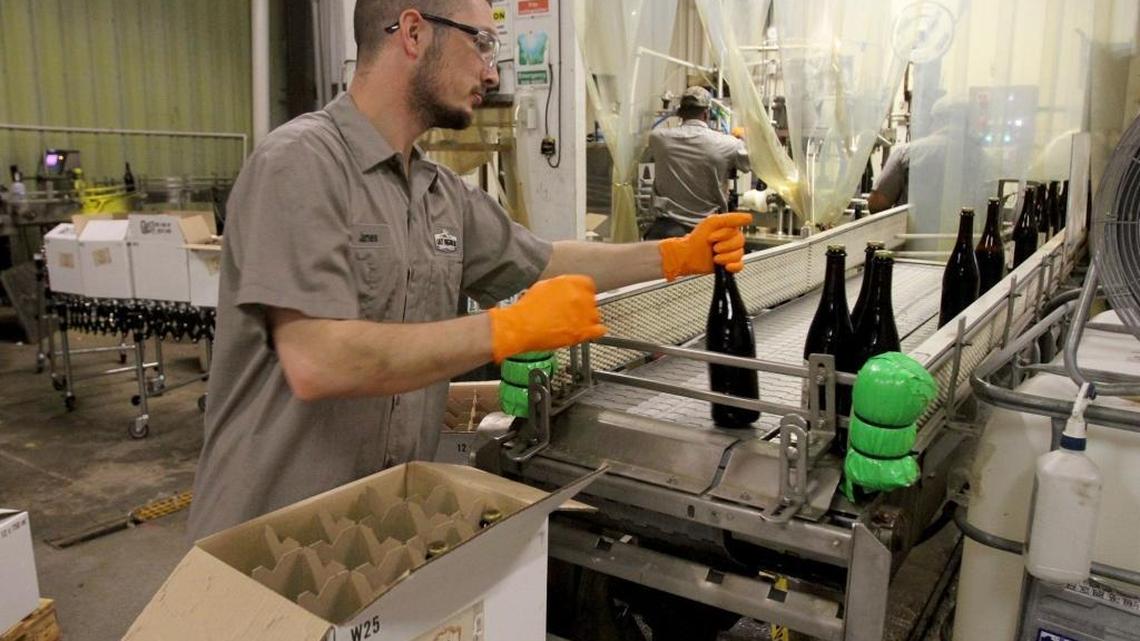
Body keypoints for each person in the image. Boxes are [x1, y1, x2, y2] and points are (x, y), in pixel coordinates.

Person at [186, 0, 753, 540]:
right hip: (268, 534)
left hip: (378, 523)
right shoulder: (301, 164)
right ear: (412, 33)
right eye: (481, 43)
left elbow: (544, 259)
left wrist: (675, 256)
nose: (490, 72)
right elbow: (319, 360)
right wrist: (507, 330)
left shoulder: (439, 194)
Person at [643, 86, 751, 239]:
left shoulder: (658, 138)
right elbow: (751, 164)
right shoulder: (728, 144)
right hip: (707, 234)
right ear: (707, 114)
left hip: (666, 233)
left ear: (680, 112)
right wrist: (744, 137)